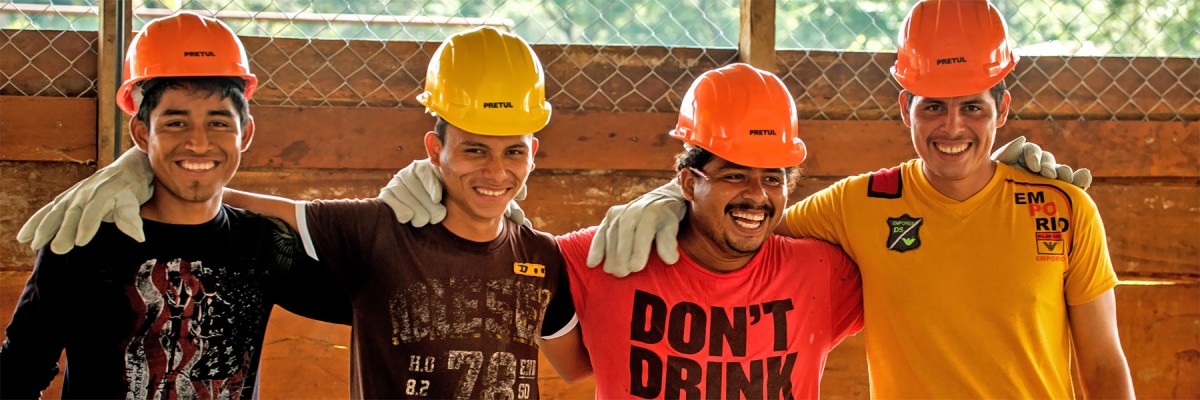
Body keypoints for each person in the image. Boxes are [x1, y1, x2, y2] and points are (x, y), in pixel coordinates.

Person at [586, 1, 1135, 398]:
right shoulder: (860, 204)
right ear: (905, 109)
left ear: (1003, 108)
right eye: (932, 108)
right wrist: (669, 197)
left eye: (973, 108)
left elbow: (1104, 363)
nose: (952, 128)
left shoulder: (1064, 209)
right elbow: (749, 219)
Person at [381, 63, 864, 398]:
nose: (757, 196)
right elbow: (497, 263)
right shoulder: (603, 257)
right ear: (688, 181)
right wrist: (443, 188)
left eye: (773, 178)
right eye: (735, 174)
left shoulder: (821, 271)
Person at [0, 12, 346, 399]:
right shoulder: (83, 241)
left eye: (218, 123)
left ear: (244, 133)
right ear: (141, 132)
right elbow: (19, 371)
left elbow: (380, 299)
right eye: (175, 123)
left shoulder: (262, 242)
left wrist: (426, 174)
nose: (198, 143)